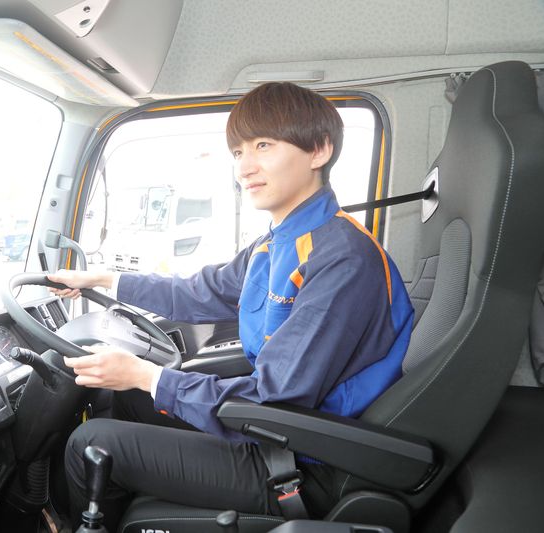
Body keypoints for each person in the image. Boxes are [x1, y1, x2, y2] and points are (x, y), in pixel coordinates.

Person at [49, 82, 414, 530]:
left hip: (305, 460)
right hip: (275, 429)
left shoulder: (343, 258)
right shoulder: (278, 243)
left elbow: (276, 396)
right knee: (128, 400)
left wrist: (146, 375)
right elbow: (199, 292)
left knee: (89, 443)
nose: (245, 167)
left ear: (319, 150)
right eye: (238, 151)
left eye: (263, 145)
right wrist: (103, 279)